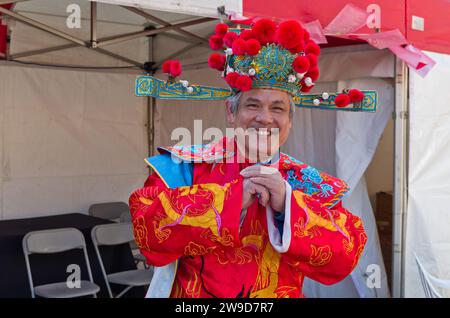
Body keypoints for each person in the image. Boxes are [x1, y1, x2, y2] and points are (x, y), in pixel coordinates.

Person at [129, 18, 370, 298]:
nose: (265, 118)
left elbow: (345, 256)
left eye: (277, 108)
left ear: (290, 121)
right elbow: (147, 232)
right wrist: (230, 200)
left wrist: (288, 204)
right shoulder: (183, 167)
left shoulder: (307, 182)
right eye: (252, 105)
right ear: (231, 113)